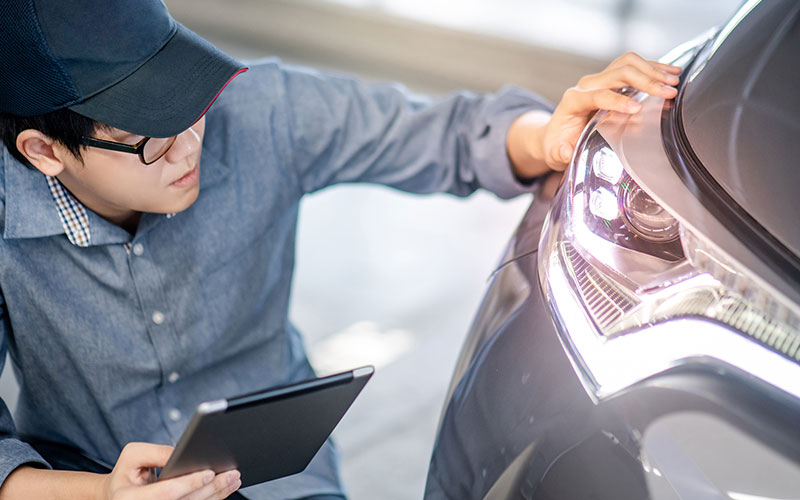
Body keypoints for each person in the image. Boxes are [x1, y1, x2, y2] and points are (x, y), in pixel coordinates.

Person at [0, 0, 680, 499]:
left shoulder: (264, 109)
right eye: (151, 134)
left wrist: (546, 136)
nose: (189, 143)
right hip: (81, 478)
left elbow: (442, 135)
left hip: (273, 475)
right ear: (45, 150)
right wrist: (100, 494)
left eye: (190, 102)